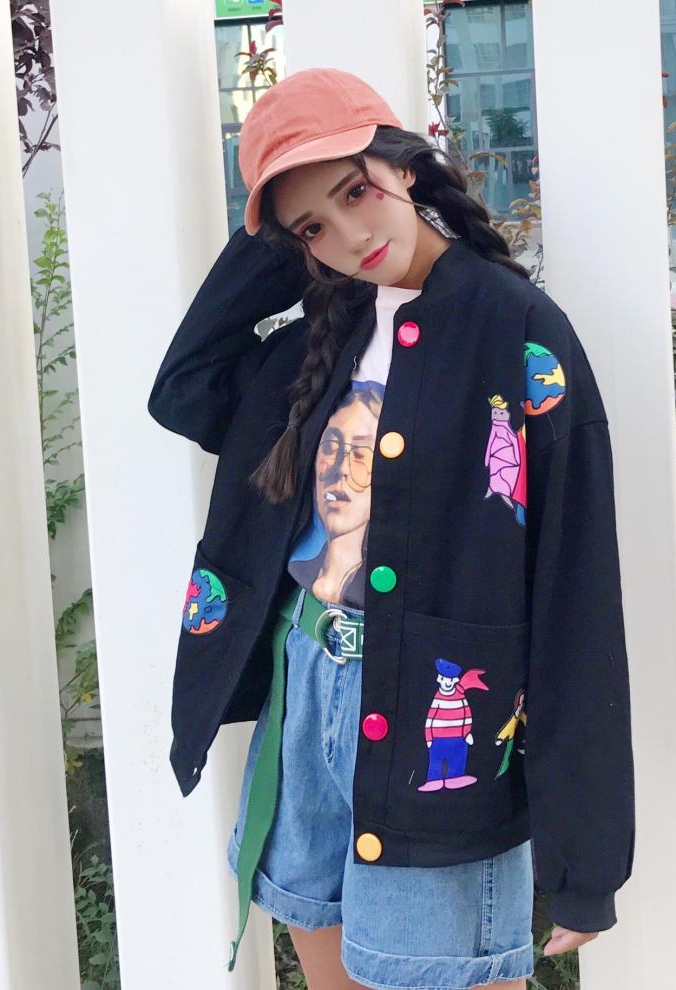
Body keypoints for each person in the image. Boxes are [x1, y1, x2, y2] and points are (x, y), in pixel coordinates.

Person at [148, 66, 635, 990]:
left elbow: (575, 588)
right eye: (313, 229)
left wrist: (587, 858)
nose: (350, 237)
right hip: (307, 695)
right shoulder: (317, 336)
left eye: (356, 192)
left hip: (441, 728)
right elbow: (184, 387)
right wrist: (280, 232)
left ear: (404, 166)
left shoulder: (518, 331)